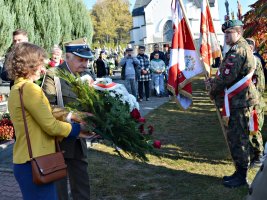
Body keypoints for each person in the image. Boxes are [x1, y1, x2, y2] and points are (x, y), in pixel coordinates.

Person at [6, 42, 90, 200]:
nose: (43, 69)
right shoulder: (30, 89)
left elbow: (44, 115)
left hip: (25, 160)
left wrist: (72, 116)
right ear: (30, 64)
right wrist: (77, 130)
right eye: (40, 64)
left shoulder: (17, 89)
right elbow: (50, 125)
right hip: (36, 161)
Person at [207, 20, 259, 188]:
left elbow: (227, 77)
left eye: (229, 32)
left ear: (239, 32)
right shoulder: (237, 48)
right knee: (236, 137)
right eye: (225, 33)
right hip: (239, 101)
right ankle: (239, 171)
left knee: (239, 138)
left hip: (240, 102)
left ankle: (242, 176)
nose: (226, 36)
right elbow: (226, 75)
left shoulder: (238, 50)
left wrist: (212, 89)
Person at [42, 38, 94, 200]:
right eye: (81, 59)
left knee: (82, 186)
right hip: (58, 141)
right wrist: (73, 116)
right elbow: (46, 107)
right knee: (59, 189)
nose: (85, 64)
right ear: (68, 56)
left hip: (79, 141)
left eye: (87, 60)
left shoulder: (88, 75)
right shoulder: (54, 75)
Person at [246, 38, 265, 168]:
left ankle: (258, 157)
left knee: (254, 129)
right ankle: (253, 154)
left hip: (255, 102)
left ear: (251, 48)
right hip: (248, 101)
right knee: (249, 129)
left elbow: (260, 85)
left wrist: (254, 99)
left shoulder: (255, 61)